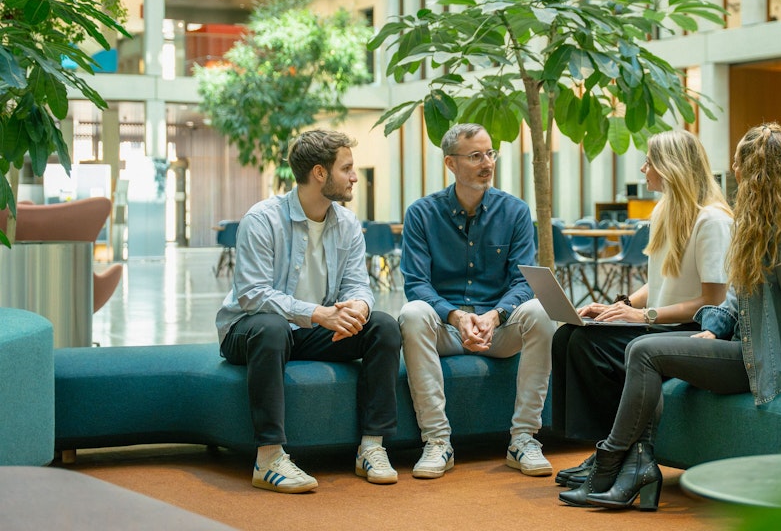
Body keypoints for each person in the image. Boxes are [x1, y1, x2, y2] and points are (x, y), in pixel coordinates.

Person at [559, 122, 781, 510]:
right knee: (641, 349)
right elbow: (738, 293)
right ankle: (631, 464)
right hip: (739, 346)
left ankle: (610, 465)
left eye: (739, 161)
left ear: (756, 171)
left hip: (761, 360)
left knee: (643, 351)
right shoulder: (759, 224)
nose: (733, 169)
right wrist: (714, 328)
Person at [215, 129, 402, 493]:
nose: (353, 177)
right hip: (251, 331)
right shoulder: (262, 219)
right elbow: (253, 294)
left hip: (316, 331)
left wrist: (360, 305)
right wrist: (318, 313)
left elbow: (357, 284)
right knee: (271, 327)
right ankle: (268, 458)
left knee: (383, 326)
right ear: (320, 173)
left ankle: (372, 448)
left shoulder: (347, 223)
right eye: (347, 168)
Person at [552, 129, 733, 488]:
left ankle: (613, 454)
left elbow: (714, 301)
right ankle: (606, 450)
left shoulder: (713, 221)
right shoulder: (666, 208)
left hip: (692, 330)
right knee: (569, 336)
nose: (643, 168)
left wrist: (644, 316)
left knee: (589, 347)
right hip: (659, 323)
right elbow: (661, 281)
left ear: (671, 167)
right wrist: (619, 307)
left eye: (649, 161)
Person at [399, 123, 557, 479]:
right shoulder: (422, 214)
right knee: (412, 313)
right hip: (446, 329)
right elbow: (416, 284)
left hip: (497, 329)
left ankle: (524, 439)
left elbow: (522, 282)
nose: (487, 163)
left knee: (541, 310)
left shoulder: (514, 211)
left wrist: (496, 316)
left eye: (490, 153)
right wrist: (454, 316)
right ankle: (437, 442)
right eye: (475, 156)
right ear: (451, 164)